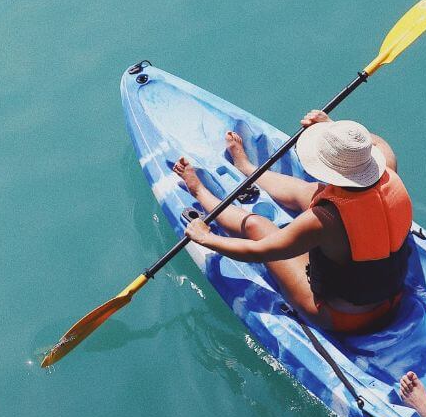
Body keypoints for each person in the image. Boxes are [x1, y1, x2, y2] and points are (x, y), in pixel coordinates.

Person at [172, 110, 412, 333]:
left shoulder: (323, 220)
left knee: (260, 227)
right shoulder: (389, 166)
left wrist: (206, 237)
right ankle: (247, 168)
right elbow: (378, 143)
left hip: (342, 317)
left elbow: (258, 251)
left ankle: (199, 192)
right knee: (312, 192)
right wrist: (333, 129)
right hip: (392, 297)